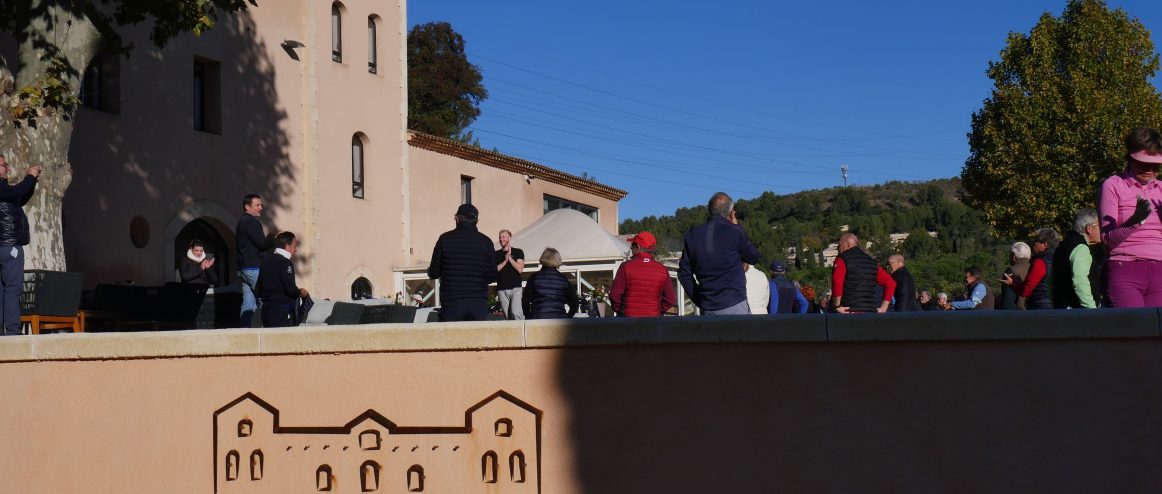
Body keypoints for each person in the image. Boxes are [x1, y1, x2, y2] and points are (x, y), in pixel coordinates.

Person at [1099, 127, 1162, 307]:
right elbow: (1107, 240)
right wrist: (1135, 221)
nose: (1150, 169)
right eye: (1143, 163)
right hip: (1124, 268)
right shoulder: (1113, 185)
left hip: (1159, 272)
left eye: (1155, 164)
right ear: (1130, 158)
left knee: (1156, 333)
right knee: (1132, 330)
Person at [677, 192, 760, 315]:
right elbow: (753, 257)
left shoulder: (692, 236)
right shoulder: (735, 232)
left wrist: (700, 300)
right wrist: (738, 228)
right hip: (734, 303)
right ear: (731, 212)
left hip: (708, 307)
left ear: (709, 210)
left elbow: (684, 274)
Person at [428, 204, 496, 322]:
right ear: (476, 221)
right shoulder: (486, 242)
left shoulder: (445, 239)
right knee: (478, 339)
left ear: (457, 219)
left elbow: (434, 272)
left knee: (452, 339)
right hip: (478, 302)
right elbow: (492, 276)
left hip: (452, 302)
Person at [0, 154, 40, 336]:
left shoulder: (4, 191)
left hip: (4, 247)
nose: (7, 168)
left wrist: (31, 183)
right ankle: (13, 332)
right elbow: (17, 192)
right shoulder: (3, 188)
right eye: (3, 165)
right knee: (13, 289)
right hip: (10, 246)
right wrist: (30, 176)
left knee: (2, 290)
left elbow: (18, 197)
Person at [609, 232, 675, 317]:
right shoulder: (662, 269)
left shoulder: (626, 267)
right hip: (652, 322)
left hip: (629, 322)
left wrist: (622, 312)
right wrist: (657, 311)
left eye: (632, 246)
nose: (631, 248)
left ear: (638, 247)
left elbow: (614, 295)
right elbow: (670, 299)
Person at [831, 233, 896, 313]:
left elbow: (837, 281)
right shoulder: (871, 262)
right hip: (870, 311)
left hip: (849, 311)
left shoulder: (842, 259)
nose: (838, 249)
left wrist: (837, 305)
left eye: (839, 245)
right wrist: (884, 308)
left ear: (847, 244)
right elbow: (891, 283)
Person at [255, 231, 308, 327]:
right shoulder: (285, 262)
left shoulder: (265, 262)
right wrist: (301, 292)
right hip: (281, 311)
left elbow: (257, 289)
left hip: (265, 311)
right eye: (294, 246)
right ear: (287, 246)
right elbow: (290, 289)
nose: (296, 250)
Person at [1053, 209, 1103, 308]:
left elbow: (1053, 278)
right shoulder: (1081, 248)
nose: (1102, 229)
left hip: (1063, 306)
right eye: (1099, 226)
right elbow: (1080, 280)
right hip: (1078, 309)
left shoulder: (1065, 244)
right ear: (1089, 228)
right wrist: (1091, 308)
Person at [236, 194, 272, 327]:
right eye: (257, 205)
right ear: (247, 207)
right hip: (253, 267)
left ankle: (244, 334)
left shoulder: (242, 221)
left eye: (261, 205)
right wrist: (273, 238)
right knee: (266, 298)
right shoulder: (251, 222)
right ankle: (268, 330)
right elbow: (262, 244)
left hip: (245, 268)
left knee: (248, 304)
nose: (261, 208)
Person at [1002, 228, 1059, 309]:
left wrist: (1012, 284)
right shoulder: (1063, 258)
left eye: (1035, 241)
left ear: (1044, 244)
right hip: (1059, 307)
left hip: (1041, 307)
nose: (1033, 245)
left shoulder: (1040, 262)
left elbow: (1026, 290)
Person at [522, 248, 578, 319]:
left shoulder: (535, 277)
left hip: (538, 319)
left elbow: (525, 301)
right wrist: (568, 316)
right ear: (557, 260)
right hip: (559, 321)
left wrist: (529, 318)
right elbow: (574, 302)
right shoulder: (562, 279)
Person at [495, 229, 525, 320]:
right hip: (501, 289)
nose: (501, 239)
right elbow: (494, 270)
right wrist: (505, 261)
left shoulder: (518, 252)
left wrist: (510, 259)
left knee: (516, 313)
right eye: (500, 237)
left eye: (503, 237)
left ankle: (522, 332)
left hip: (515, 288)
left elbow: (520, 269)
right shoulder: (496, 254)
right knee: (508, 317)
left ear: (509, 238)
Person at [997, 242, 1032, 310]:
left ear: (1013, 256)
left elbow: (1008, 301)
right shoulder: (1035, 269)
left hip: (1018, 315)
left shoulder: (1011, 271)